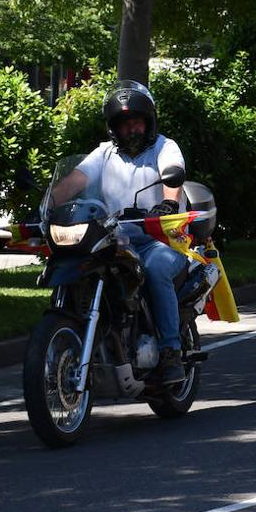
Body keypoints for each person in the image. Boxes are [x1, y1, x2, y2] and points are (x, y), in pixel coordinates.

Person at [49, 81, 189, 385]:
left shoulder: (165, 147)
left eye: (137, 121)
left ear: (148, 121)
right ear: (115, 128)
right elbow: (75, 180)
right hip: (116, 236)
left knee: (155, 269)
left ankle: (170, 352)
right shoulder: (104, 154)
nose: (132, 129)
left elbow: (173, 176)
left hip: (160, 238)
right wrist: (48, 205)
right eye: (125, 125)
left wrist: (168, 203)